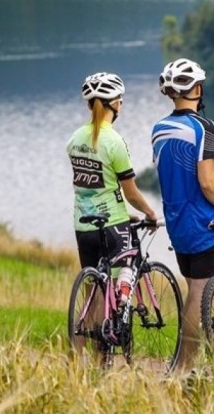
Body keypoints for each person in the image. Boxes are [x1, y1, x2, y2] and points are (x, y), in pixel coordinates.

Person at [151, 58, 214, 373]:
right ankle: (185, 369)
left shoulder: (159, 129)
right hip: (205, 223)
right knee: (200, 294)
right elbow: (206, 180)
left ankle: (183, 363)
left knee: (194, 291)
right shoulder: (204, 127)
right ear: (198, 89)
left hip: (177, 226)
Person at [66, 72, 158, 358]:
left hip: (83, 224)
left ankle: (82, 360)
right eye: (121, 100)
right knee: (123, 276)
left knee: (93, 289)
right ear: (114, 104)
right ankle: (114, 334)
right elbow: (130, 192)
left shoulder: (74, 139)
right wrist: (149, 212)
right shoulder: (115, 142)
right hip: (113, 224)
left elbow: (93, 186)